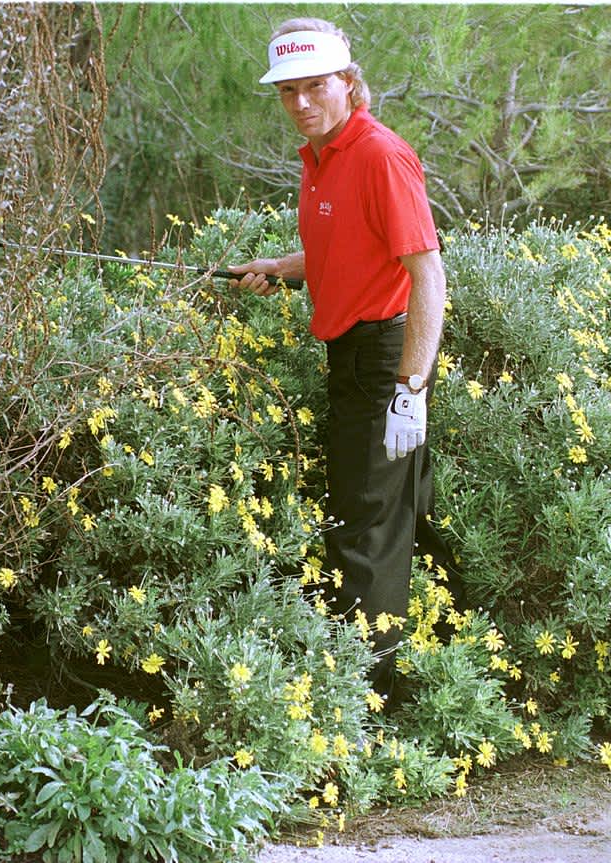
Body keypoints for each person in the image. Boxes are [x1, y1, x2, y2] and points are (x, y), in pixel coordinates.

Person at [229, 17, 463, 698]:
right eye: (288, 91)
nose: (301, 103)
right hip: (354, 358)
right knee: (389, 519)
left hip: (383, 359)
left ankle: (361, 705)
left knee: (363, 533)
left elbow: (428, 275)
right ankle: (429, 680)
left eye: (315, 87)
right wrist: (283, 265)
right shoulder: (324, 157)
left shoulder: (378, 155)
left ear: (349, 84)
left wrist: (409, 389)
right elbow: (351, 250)